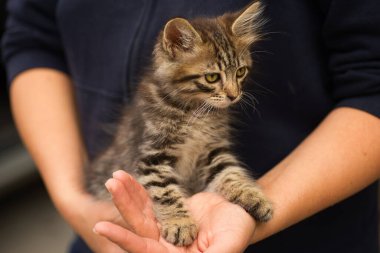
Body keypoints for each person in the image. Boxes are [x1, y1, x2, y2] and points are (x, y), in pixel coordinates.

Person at [2, 0, 380, 252]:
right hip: (106, 227)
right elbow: (33, 37)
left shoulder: (211, 105)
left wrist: (248, 196)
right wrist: (72, 203)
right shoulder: (159, 104)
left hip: (306, 238)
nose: (233, 93)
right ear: (173, 50)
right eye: (214, 79)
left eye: (240, 74)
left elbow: (371, 85)